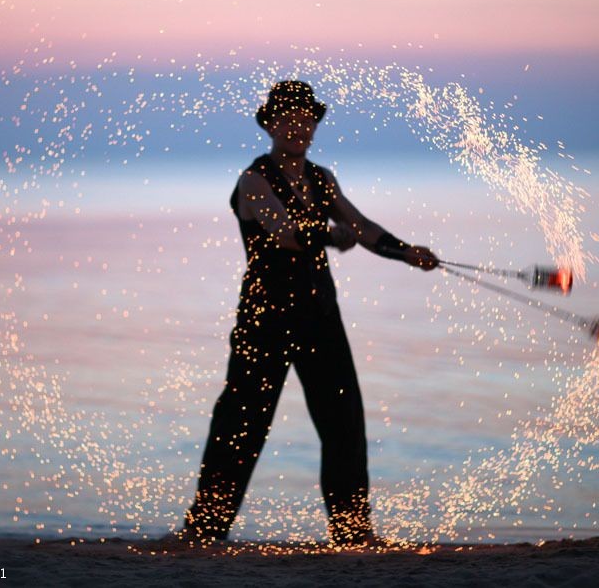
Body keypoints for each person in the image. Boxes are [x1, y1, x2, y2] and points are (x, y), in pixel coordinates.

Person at [179, 80, 438, 547]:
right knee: (241, 426)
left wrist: (406, 252)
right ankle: (204, 530)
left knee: (345, 424)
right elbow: (285, 233)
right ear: (270, 125)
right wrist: (328, 235)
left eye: (305, 119)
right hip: (265, 319)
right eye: (287, 119)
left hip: (319, 315)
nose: (297, 127)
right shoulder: (252, 180)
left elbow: (360, 226)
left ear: (315, 125)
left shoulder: (322, 178)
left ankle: (353, 533)